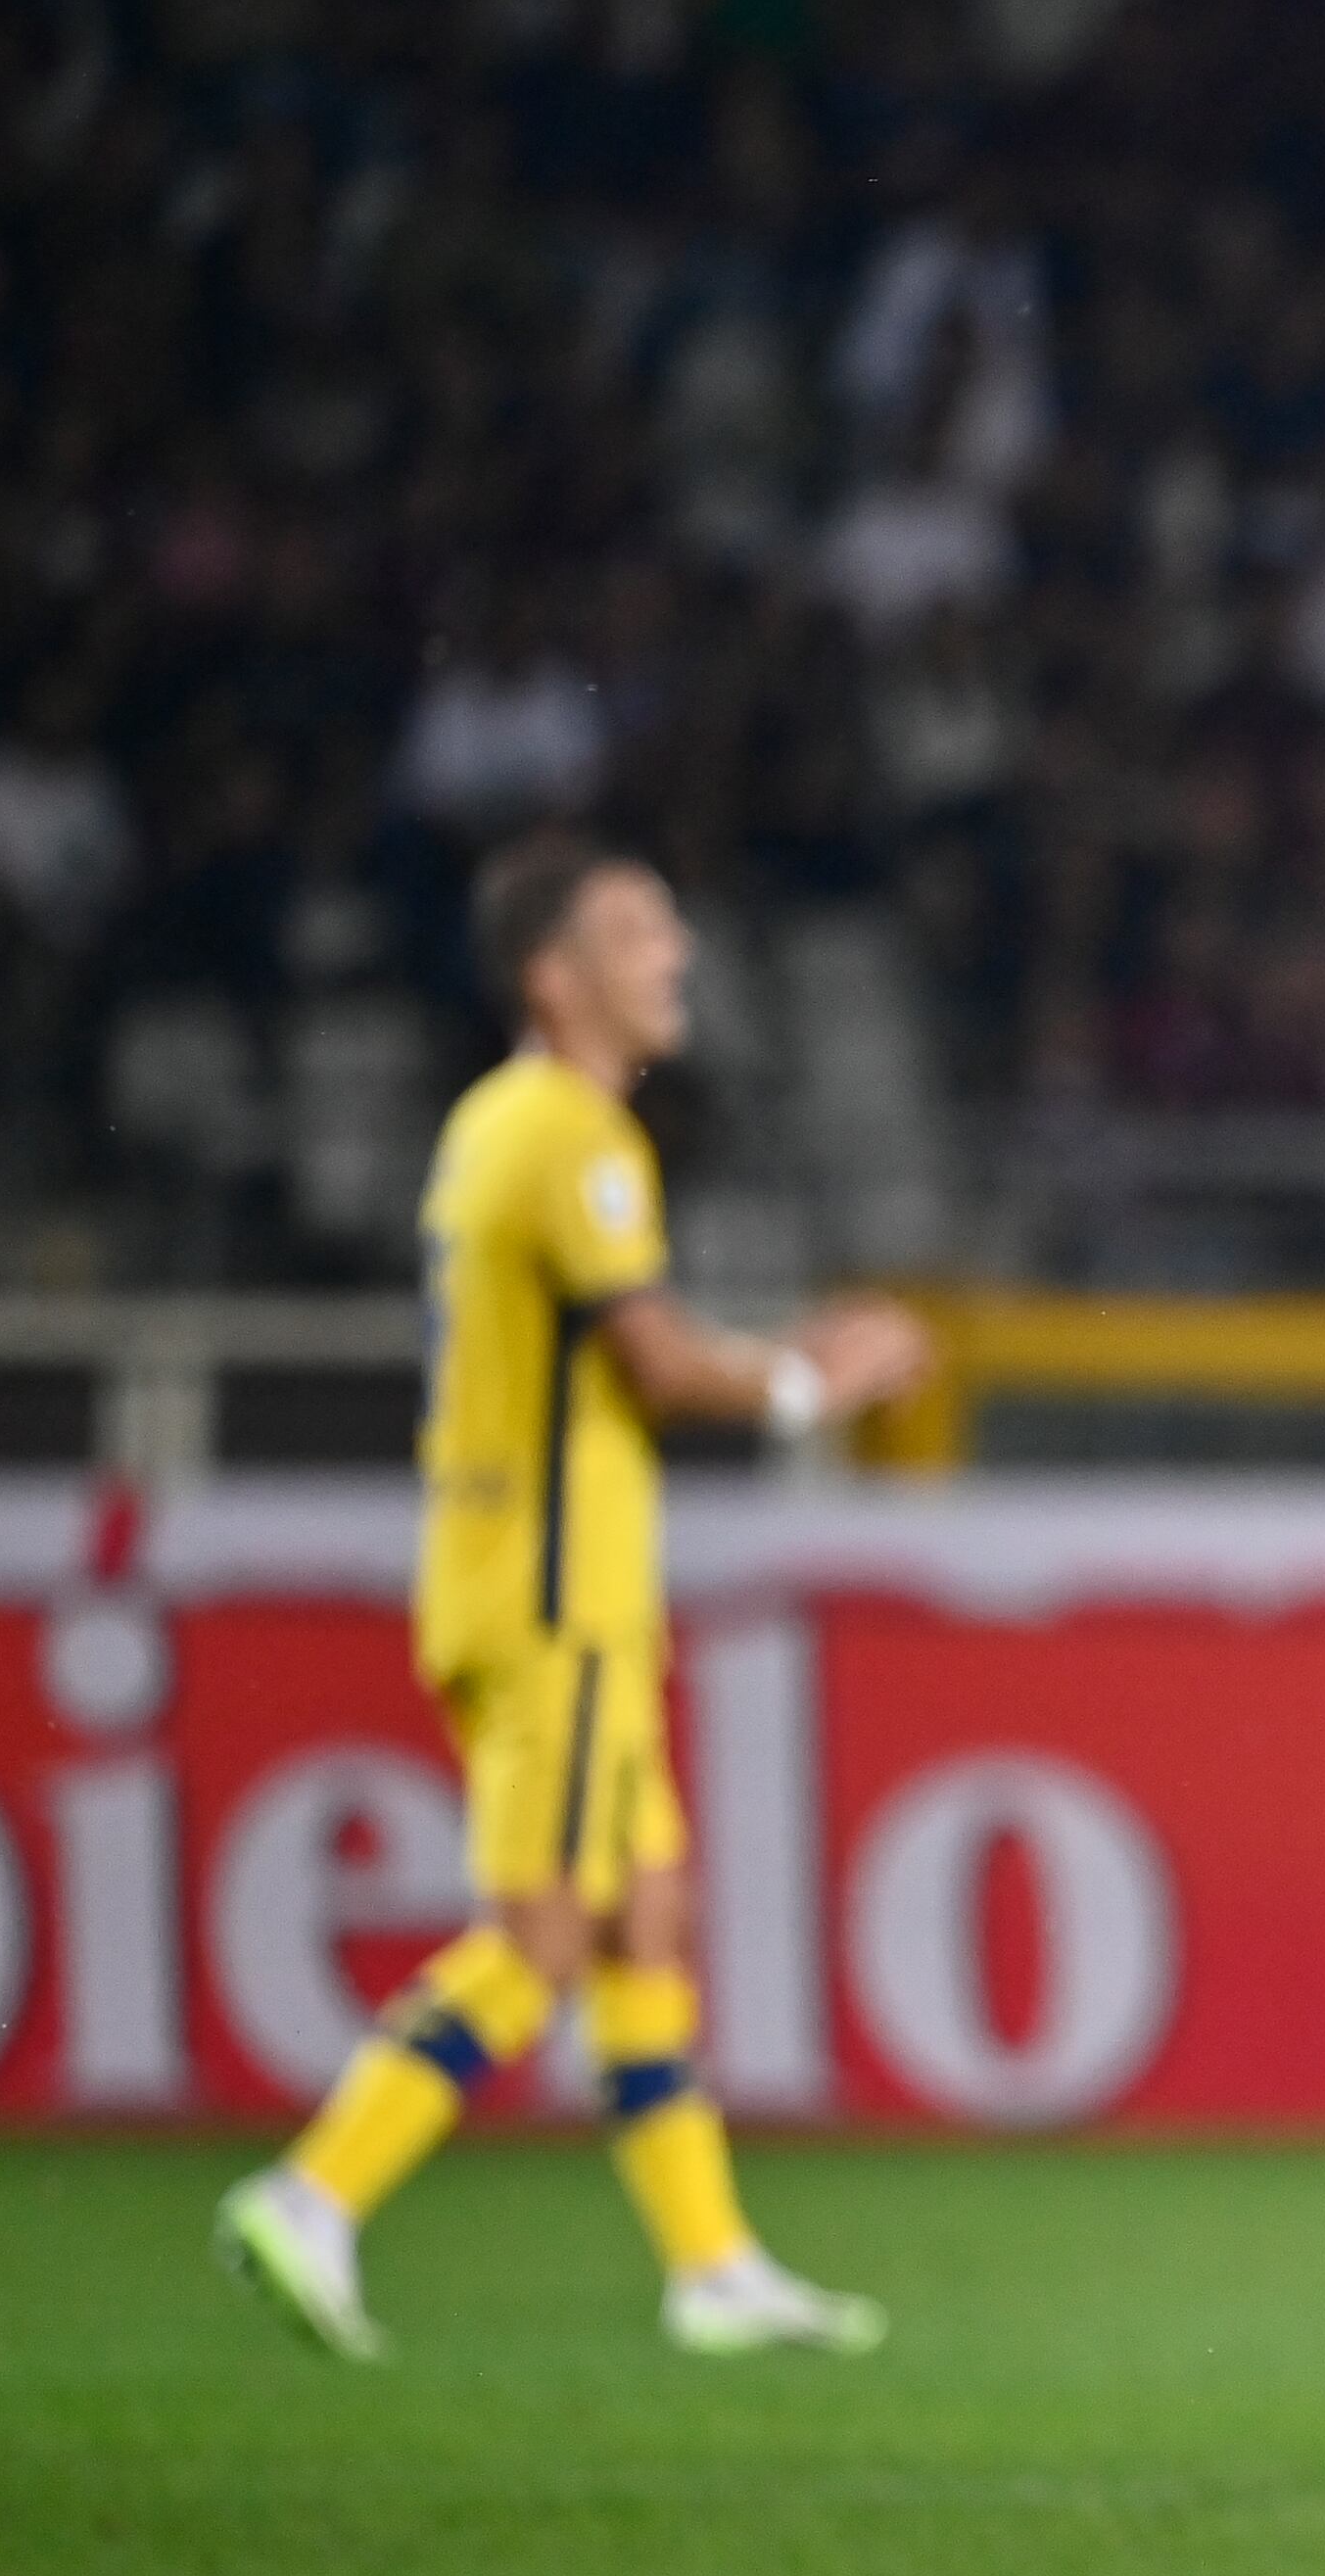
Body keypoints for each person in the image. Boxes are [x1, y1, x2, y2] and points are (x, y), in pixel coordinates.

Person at [213, 834, 930, 2361]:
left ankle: (712, 2264)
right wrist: (814, 1379)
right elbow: (656, 1364)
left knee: (647, 1912)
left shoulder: (501, 1123)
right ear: (556, 975)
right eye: (638, 931)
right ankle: (314, 2191)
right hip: (555, 1596)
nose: (676, 954)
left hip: (522, 1578)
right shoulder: (571, 1133)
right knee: (543, 1934)